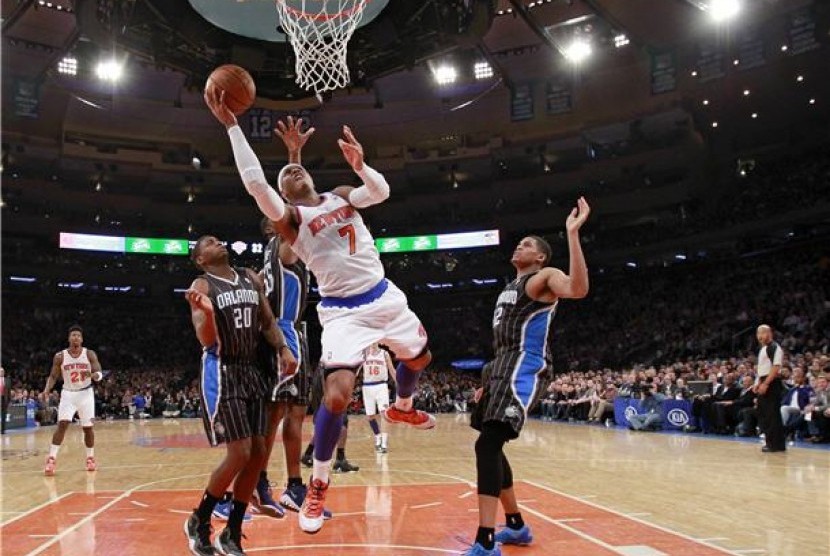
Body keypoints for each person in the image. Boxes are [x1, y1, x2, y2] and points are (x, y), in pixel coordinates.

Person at [204, 93, 434, 535]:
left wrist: (360, 164)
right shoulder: (290, 222)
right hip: (343, 313)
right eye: (285, 175)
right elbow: (256, 183)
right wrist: (232, 125)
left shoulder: (340, 194)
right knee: (334, 396)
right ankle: (317, 485)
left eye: (296, 167)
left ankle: (402, 407)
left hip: (385, 296)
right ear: (283, 195)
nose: (292, 171)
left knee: (420, 359)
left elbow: (381, 192)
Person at [467, 198, 590, 556]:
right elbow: (502, 341)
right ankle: (517, 527)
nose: (519, 245)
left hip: (526, 366)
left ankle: (486, 540)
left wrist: (572, 234)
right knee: (490, 442)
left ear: (540, 258)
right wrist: (488, 382)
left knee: (488, 444)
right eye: (519, 243)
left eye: (528, 244)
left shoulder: (544, 279)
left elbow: (578, 289)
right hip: (502, 367)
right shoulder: (508, 288)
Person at [183, 235, 296, 556]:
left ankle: (232, 531)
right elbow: (205, 340)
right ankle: (200, 519)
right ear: (201, 259)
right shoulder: (202, 285)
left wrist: (284, 348)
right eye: (209, 242)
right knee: (240, 452)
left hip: (252, 370)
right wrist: (205, 313)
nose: (218, 242)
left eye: (218, 239)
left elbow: (268, 321)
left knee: (259, 453)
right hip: (222, 370)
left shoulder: (248, 277)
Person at [248, 217, 314, 517]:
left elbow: (261, 283)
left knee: (297, 413)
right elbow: (293, 216)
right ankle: (258, 482)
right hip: (284, 333)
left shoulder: (273, 253)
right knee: (274, 414)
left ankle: (295, 487)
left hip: (297, 333)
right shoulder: (285, 246)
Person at [42, 325, 104, 476]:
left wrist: (96, 376)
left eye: (78, 335)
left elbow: (99, 372)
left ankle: (90, 458)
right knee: (62, 424)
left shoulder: (89, 354)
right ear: (69, 338)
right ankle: (51, 459)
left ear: (81, 339)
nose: (75, 337)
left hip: (85, 394)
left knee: (87, 428)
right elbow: (53, 376)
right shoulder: (60, 356)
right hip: (68, 393)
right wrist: (46, 389)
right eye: (73, 335)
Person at [755, 325, 786, 453]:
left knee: (772, 414)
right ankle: (770, 441)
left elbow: (775, 367)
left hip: (771, 382)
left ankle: (775, 444)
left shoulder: (774, 347)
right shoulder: (763, 349)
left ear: (769, 333)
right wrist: (758, 382)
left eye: (762, 333)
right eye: (758, 333)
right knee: (765, 414)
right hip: (764, 380)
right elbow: (762, 368)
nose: (760, 336)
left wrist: (766, 383)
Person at [361, 343, 396, 453]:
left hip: (381, 386)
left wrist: (400, 385)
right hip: (367, 386)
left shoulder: (384, 354)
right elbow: (356, 370)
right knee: (370, 416)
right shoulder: (364, 353)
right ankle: (378, 436)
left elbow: (392, 370)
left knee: (384, 413)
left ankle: (384, 443)